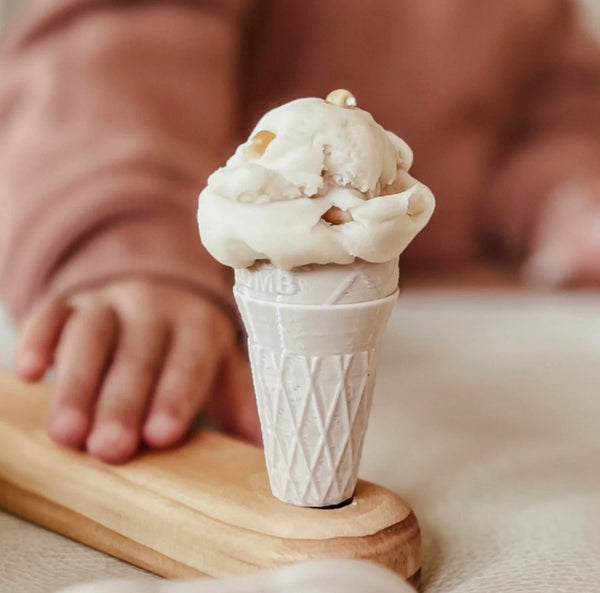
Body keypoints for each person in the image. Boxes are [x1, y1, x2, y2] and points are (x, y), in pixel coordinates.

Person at [0, 0, 599, 463]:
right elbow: (115, 54)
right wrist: (130, 248)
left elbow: (555, 108)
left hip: (442, 295)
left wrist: (567, 199)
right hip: (201, 280)